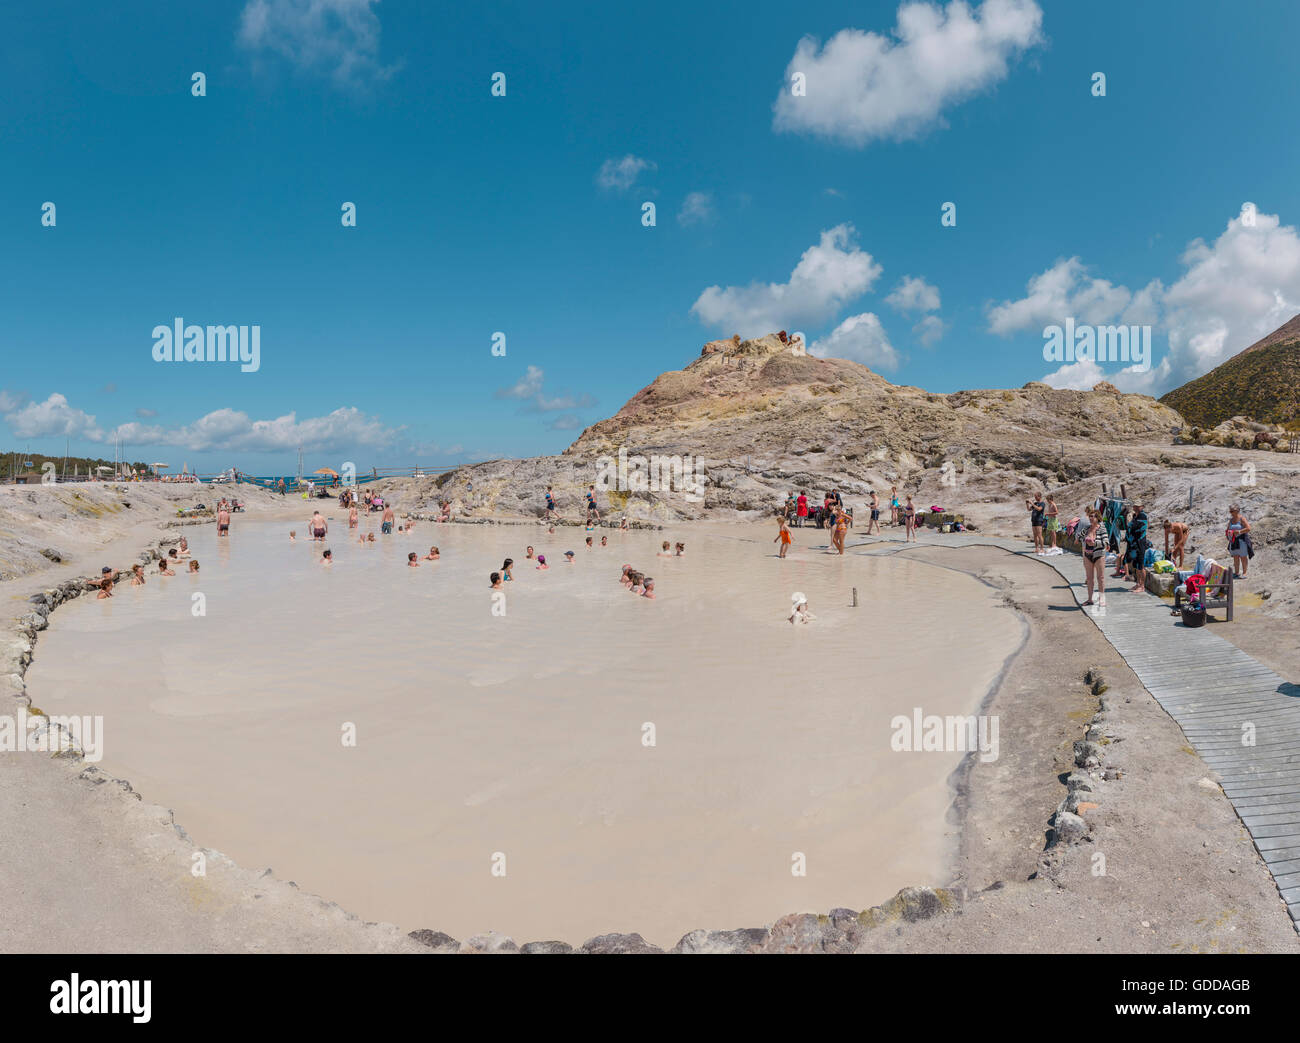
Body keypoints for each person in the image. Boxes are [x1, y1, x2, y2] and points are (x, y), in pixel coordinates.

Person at [1081, 507, 1108, 608]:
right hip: (1087, 555)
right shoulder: (1087, 528)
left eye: (1093, 516)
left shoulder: (1101, 528)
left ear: (1098, 518)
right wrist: (1081, 538)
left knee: (1100, 578)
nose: (1091, 518)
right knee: (1089, 578)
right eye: (1090, 516)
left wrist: (1094, 543)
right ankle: (1089, 599)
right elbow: (1079, 536)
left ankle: (1102, 599)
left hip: (1098, 555)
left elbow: (1106, 542)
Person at [1126, 501, 1151, 593]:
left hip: (1140, 543)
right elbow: (1131, 527)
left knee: (1141, 565)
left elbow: (1137, 528)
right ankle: (1138, 583)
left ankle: (1142, 586)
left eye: (1138, 506)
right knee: (1136, 565)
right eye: (1135, 506)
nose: (1136, 507)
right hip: (1134, 543)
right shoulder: (1135, 516)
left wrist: (1130, 524)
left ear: (1142, 506)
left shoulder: (1142, 516)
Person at [1227, 505, 1253, 578]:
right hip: (1233, 541)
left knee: (1243, 557)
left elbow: (1248, 528)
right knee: (1235, 557)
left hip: (1242, 541)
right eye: (1230, 511)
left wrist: (1238, 531)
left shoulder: (1242, 519)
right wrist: (1228, 533)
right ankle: (1236, 573)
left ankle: (1244, 573)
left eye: (1232, 511)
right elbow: (1227, 529)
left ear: (1237, 511)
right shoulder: (1231, 520)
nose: (1230, 513)